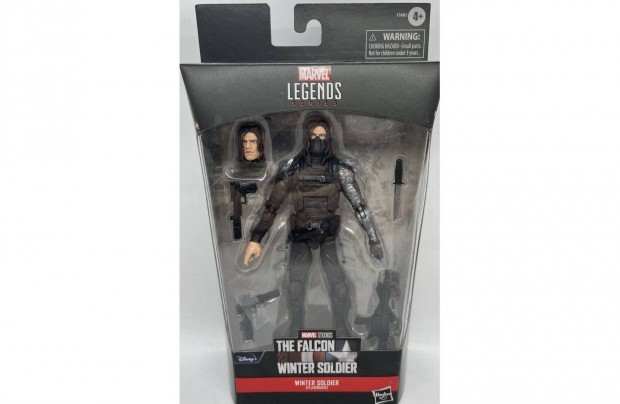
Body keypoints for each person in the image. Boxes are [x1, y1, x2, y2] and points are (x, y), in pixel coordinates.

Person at [243, 113, 383, 336]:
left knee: (339, 287)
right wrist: (255, 239)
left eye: (322, 136)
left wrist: (373, 239)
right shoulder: (293, 169)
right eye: (314, 136)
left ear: (329, 139)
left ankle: (341, 327)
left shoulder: (339, 170)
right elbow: (271, 206)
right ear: (306, 137)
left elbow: (360, 207)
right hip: (300, 234)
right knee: (295, 287)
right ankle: (295, 328)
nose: (318, 140)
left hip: (328, 235)